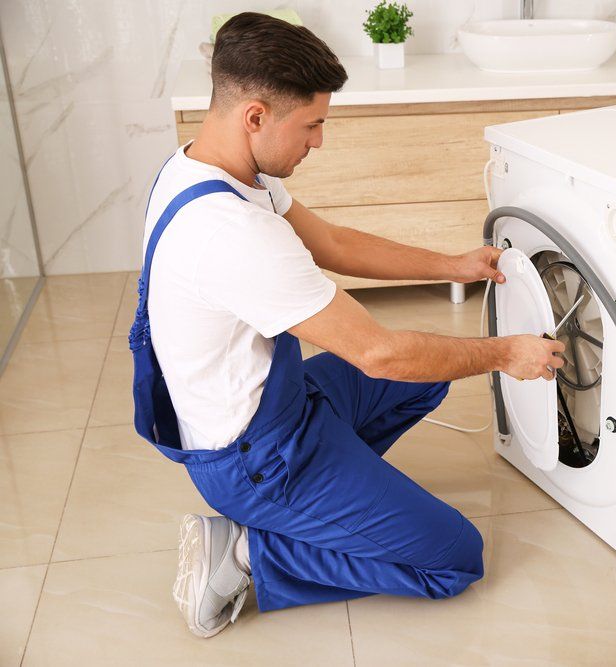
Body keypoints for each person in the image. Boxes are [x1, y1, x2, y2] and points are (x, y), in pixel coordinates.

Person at [130, 12, 565, 638]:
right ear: (255, 115)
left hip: (280, 410)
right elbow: (380, 353)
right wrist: (502, 353)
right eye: (312, 125)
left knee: (427, 376)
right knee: (454, 559)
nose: (318, 141)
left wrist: (453, 265)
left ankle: (334, 503)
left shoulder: (209, 169)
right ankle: (251, 551)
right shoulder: (230, 233)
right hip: (256, 462)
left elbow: (331, 242)